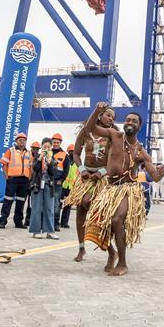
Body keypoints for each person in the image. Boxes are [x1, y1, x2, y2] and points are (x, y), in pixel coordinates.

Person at [83, 105, 164, 276]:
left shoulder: (142, 152)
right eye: (128, 119)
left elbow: (155, 177)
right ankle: (112, 253)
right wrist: (97, 112)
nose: (130, 122)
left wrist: (160, 173)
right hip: (109, 188)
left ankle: (122, 263)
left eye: (134, 121)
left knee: (117, 218)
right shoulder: (115, 135)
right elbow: (89, 129)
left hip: (128, 190)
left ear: (139, 127)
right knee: (97, 221)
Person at [66, 104, 116, 264]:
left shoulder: (112, 134)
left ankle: (110, 250)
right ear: (100, 116)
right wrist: (81, 169)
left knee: (95, 209)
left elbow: (115, 159)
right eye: (108, 115)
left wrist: (101, 173)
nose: (111, 118)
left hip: (102, 177)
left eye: (113, 117)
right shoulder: (86, 132)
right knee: (81, 208)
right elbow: (75, 153)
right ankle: (81, 247)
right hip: (86, 175)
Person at [0, 132, 31, 229]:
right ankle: (3, 221)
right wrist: (7, 177)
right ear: (16, 141)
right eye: (20, 140)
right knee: (8, 200)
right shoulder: (10, 151)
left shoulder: (29, 153)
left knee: (21, 202)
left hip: (24, 180)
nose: (22, 142)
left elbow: (31, 166)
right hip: (13, 179)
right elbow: (4, 164)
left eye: (24, 140)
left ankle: (18, 222)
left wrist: (29, 178)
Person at [29, 137, 60, 240]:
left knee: (49, 208)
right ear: (41, 147)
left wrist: (50, 162)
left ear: (51, 148)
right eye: (44, 146)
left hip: (48, 185)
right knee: (36, 208)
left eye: (48, 146)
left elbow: (53, 173)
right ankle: (35, 231)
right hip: (37, 184)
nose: (46, 148)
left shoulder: (53, 158)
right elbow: (34, 168)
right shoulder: (37, 156)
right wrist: (39, 159)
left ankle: (49, 231)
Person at [49, 133, 70, 230]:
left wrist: (61, 180)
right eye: (54, 142)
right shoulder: (48, 152)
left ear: (60, 143)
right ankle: (45, 223)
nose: (56, 144)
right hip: (47, 182)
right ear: (51, 142)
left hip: (57, 183)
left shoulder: (65, 155)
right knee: (46, 203)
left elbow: (66, 170)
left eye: (57, 142)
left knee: (56, 204)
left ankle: (56, 224)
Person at [59, 143, 77, 229]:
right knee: (58, 204)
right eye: (71, 151)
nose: (72, 153)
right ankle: (56, 221)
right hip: (62, 186)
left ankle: (64, 222)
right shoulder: (65, 160)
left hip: (71, 188)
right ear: (68, 151)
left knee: (68, 205)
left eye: (74, 151)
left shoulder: (77, 163)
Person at [23, 140, 40, 227]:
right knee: (22, 201)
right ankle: (21, 219)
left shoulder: (39, 158)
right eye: (34, 149)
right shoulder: (27, 155)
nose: (36, 151)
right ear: (31, 148)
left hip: (34, 182)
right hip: (26, 181)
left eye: (37, 149)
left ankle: (28, 220)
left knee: (31, 203)